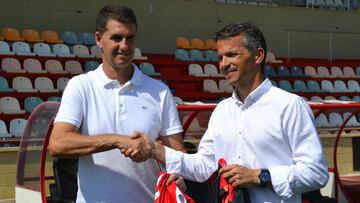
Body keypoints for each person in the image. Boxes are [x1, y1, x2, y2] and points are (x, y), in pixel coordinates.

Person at [130, 22, 329, 202]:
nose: (224, 64)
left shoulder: (290, 106)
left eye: (232, 55)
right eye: (220, 57)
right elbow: (203, 166)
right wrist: (156, 151)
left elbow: (316, 173)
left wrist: (260, 176)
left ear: (258, 56)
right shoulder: (222, 110)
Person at [48, 4, 184, 203]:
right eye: (116, 38)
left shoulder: (159, 91)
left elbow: (177, 152)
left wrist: (177, 173)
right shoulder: (81, 86)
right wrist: (118, 140)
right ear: (98, 39)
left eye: (130, 38)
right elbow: (58, 144)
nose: (125, 46)